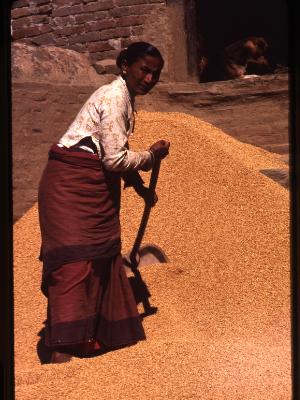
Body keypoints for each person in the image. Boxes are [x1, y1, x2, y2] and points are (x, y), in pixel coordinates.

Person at [38, 42, 170, 363]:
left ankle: (91, 339)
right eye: (144, 70)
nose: (149, 78)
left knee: (100, 257)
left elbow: (109, 149)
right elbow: (113, 160)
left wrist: (138, 187)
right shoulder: (113, 96)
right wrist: (150, 157)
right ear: (125, 65)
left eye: (155, 73)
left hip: (92, 187)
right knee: (75, 264)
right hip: (71, 188)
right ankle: (61, 353)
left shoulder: (125, 99)